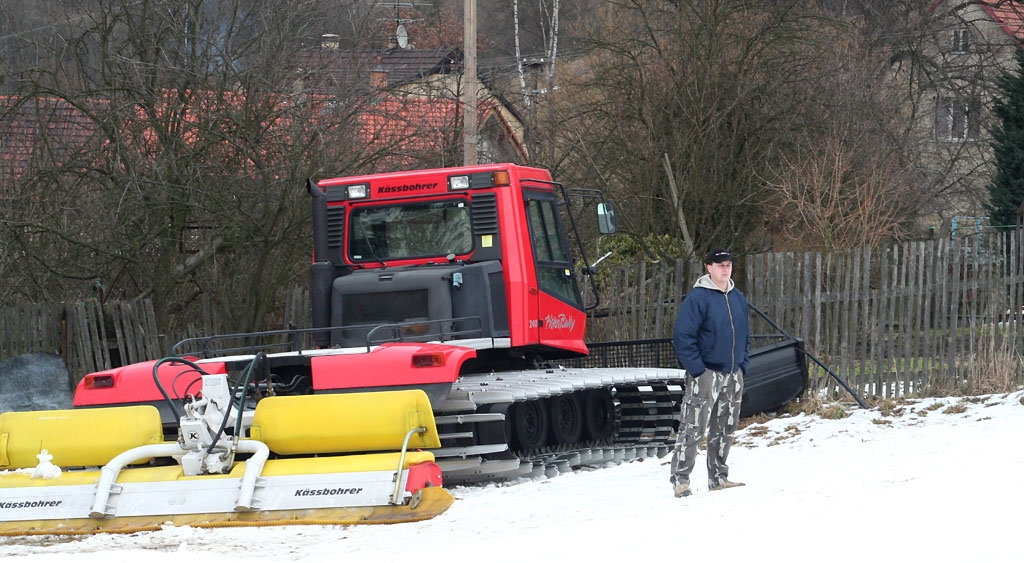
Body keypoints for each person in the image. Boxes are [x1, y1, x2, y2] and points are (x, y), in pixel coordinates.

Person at [669, 248, 751, 498]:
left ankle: (718, 477)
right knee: (693, 427)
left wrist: (742, 364)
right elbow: (683, 337)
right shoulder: (698, 298)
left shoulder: (738, 298)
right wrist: (697, 370)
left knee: (725, 428)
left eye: (728, 265)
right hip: (705, 374)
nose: (725, 269)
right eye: (720, 265)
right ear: (709, 268)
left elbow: (745, 335)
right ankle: (681, 480)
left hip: (733, 373)